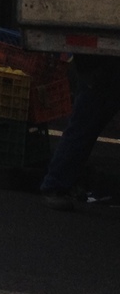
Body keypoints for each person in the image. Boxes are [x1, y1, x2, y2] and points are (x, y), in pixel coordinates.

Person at [40, 56, 119, 209]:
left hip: (100, 64)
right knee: (85, 123)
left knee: (85, 123)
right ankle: (55, 184)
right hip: (102, 66)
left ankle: (57, 183)